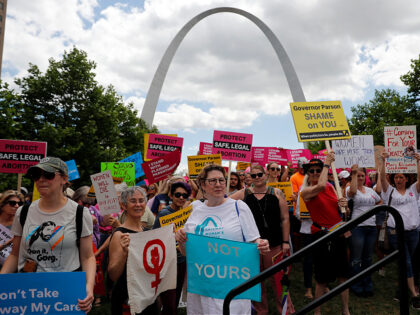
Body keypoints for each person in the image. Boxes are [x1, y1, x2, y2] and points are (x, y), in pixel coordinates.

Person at [0, 157, 95, 313]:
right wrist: (2, 282)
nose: (41, 180)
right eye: (37, 175)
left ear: (64, 179)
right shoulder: (22, 212)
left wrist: (89, 287)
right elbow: (15, 254)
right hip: (29, 292)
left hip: (66, 292)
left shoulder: (80, 213)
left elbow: (88, 257)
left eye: (48, 175)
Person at [175, 164, 270, 315]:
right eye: (213, 181)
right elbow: (186, 253)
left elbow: (254, 241)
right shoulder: (195, 209)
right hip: (203, 285)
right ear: (203, 185)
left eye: (221, 180)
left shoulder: (239, 207)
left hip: (232, 283)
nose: (218, 184)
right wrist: (180, 240)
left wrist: (261, 244)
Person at [231, 164, 292, 314]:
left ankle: (286, 311)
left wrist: (285, 242)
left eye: (259, 174)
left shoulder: (276, 193)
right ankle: (260, 311)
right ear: (248, 178)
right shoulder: (243, 194)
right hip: (252, 247)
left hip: (275, 245)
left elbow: (285, 218)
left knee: (279, 282)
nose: (257, 178)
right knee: (255, 284)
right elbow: (223, 204)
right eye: (253, 175)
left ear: (265, 175)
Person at [300, 154, 350, 315]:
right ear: (308, 173)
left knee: (343, 275)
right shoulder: (306, 191)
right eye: (312, 171)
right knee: (321, 278)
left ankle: (345, 310)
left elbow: (341, 211)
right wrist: (327, 164)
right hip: (321, 236)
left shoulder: (331, 186)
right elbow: (320, 186)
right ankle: (317, 311)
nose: (315, 173)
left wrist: (345, 206)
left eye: (318, 170)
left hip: (338, 233)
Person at [108, 186, 158, 315]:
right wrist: (124, 254)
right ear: (124, 205)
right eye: (133, 201)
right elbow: (113, 275)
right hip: (126, 296)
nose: (138, 205)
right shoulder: (120, 234)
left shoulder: (148, 233)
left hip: (147, 295)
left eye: (141, 200)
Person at [379, 152, 420, 308]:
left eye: (401, 177)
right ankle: (414, 295)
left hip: (413, 233)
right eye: (396, 177)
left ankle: (401, 291)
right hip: (396, 233)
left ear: (407, 179)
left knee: (406, 262)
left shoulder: (413, 191)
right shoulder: (389, 191)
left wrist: (418, 162)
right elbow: (382, 179)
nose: (399, 180)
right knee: (407, 262)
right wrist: (383, 161)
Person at [153, 182, 192, 315]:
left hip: (181, 260)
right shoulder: (164, 214)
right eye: (178, 195)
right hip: (167, 263)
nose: (181, 198)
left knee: (174, 301)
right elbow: (154, 239)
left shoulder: (185, 214)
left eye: (184, 196)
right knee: (169, 302)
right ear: (170, 195)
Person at [346, 164, 382, 297]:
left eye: (362, 175)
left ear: (365, 176)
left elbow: (380, 201)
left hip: (371, 227)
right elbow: (353, 193)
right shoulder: (350, 188)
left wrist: (373, 211)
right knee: (356, 258)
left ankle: (367, 284)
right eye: (358, 175)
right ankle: (356, 285)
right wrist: (354, 174)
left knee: (367, 258)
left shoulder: (370, 190)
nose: (360, 178)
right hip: (357, 228)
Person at [0, 191, 24, 268]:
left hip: (9, 269)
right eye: (12, 203)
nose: (17, 206)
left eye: (20, 204)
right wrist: (9, 242)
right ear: (2, 205)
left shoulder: (21, 225)